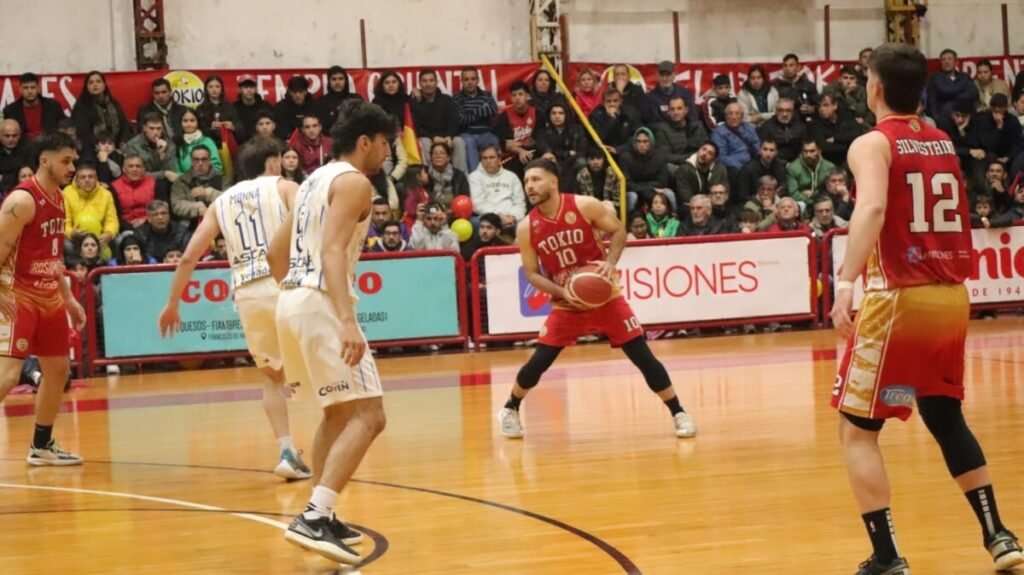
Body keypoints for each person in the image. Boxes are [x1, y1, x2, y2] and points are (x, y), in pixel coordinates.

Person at [830, 43, 1023, 575]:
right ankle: (1000, 535)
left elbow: (870, 207)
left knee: (857, 428)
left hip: (899, 302)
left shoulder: (872, 143)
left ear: (874, 88)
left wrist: (845, 280)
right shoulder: (941, 141)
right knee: (942, 412)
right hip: (948, 301)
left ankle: (888, 557)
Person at [266, 100, 393, 565]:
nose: (386, 153)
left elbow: (274, 256)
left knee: (336, 414)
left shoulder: (310, 181)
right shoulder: (356, 183)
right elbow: (335, 251)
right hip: (319, 302)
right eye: (384, 144)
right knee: (370, 416)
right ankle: (315, 515)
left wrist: (297, 295)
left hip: (291, 301)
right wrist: (345, 318)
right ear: (365, 142)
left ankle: (322, 510)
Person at [497, 158, 697, 440]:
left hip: (605, 295)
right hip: (567, 302)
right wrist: (561, 292)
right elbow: (532, 274)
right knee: (539, 362)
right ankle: (510, 408)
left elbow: (618, 231)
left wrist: (611, 263)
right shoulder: (527, 227)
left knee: (643, 356)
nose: (529, 185)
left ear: (553, 182)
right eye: (527, 181)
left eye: (536, 179)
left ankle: (679, 412)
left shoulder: (584, 205)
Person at [158, 137, 311, 480]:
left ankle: (287, 450)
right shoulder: (286, 187)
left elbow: (188, 256)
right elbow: (312, 225)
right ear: (273, 163)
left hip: (248, 292)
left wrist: (172, 303)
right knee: (321, 362)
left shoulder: (222, 201)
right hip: (287, 284)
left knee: (272, 377)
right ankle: (338, 441)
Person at [0, 132, 87, 465]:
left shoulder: (60, 198)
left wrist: (68, 298)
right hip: (17, 295)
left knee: (58, 372)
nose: (72, 167)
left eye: (74, 161)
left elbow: (54, 256)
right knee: (7, 376)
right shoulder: (22, 201)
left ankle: (41, 445)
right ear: (45, 160)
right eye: (66, 160)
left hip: (50, 297)